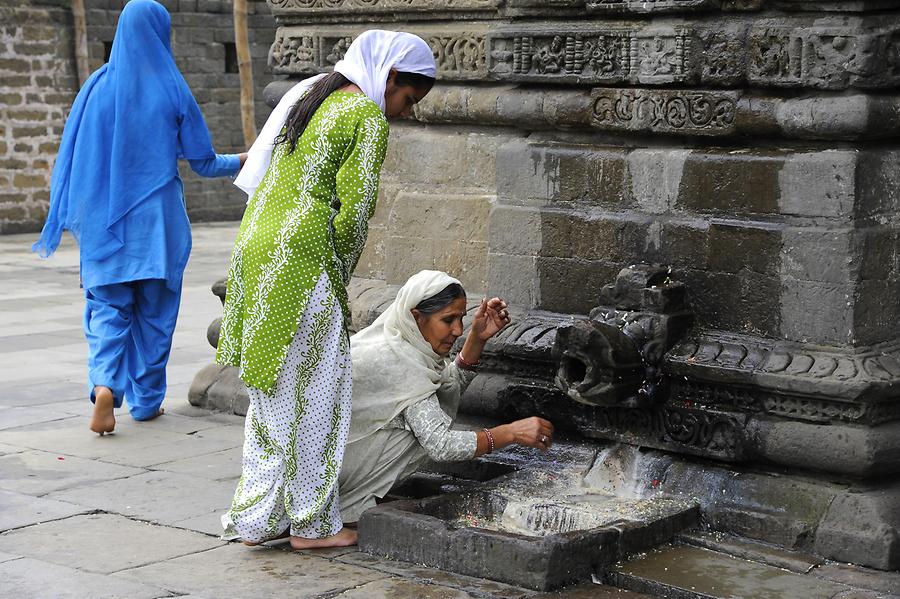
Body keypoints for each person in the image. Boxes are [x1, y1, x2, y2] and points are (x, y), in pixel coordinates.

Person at [217, 30, 437, 550]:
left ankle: (258, 517)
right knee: (319, 393)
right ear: (388, 77)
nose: (403, 113)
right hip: (302, 257)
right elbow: (356, 211)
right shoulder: (363, 115)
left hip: (255, 246)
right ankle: (313, 525)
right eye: (407, 100)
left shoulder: (312, 94)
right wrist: (336, 271)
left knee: (272, 393)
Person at [32, 0, 245, 436]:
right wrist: (242, 159)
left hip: (104, 225)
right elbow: (202, 161)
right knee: (155, 314)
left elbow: (73, 157)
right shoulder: (171, 87)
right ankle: (146, 403)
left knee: (108, 311)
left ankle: (105, 385)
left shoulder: (95, 87)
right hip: (158, 227)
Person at [338, 270, 555, 524]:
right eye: (448, 320)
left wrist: (477, 337)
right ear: (416, 318)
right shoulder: (399, 363)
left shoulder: (401, 345)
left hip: (328, 468)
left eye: (461, 319)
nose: (457, 329)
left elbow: (443, 390)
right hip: (323, 476)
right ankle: (344, 504)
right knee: (423, 431)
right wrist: (511, 433)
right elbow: (441, 445)